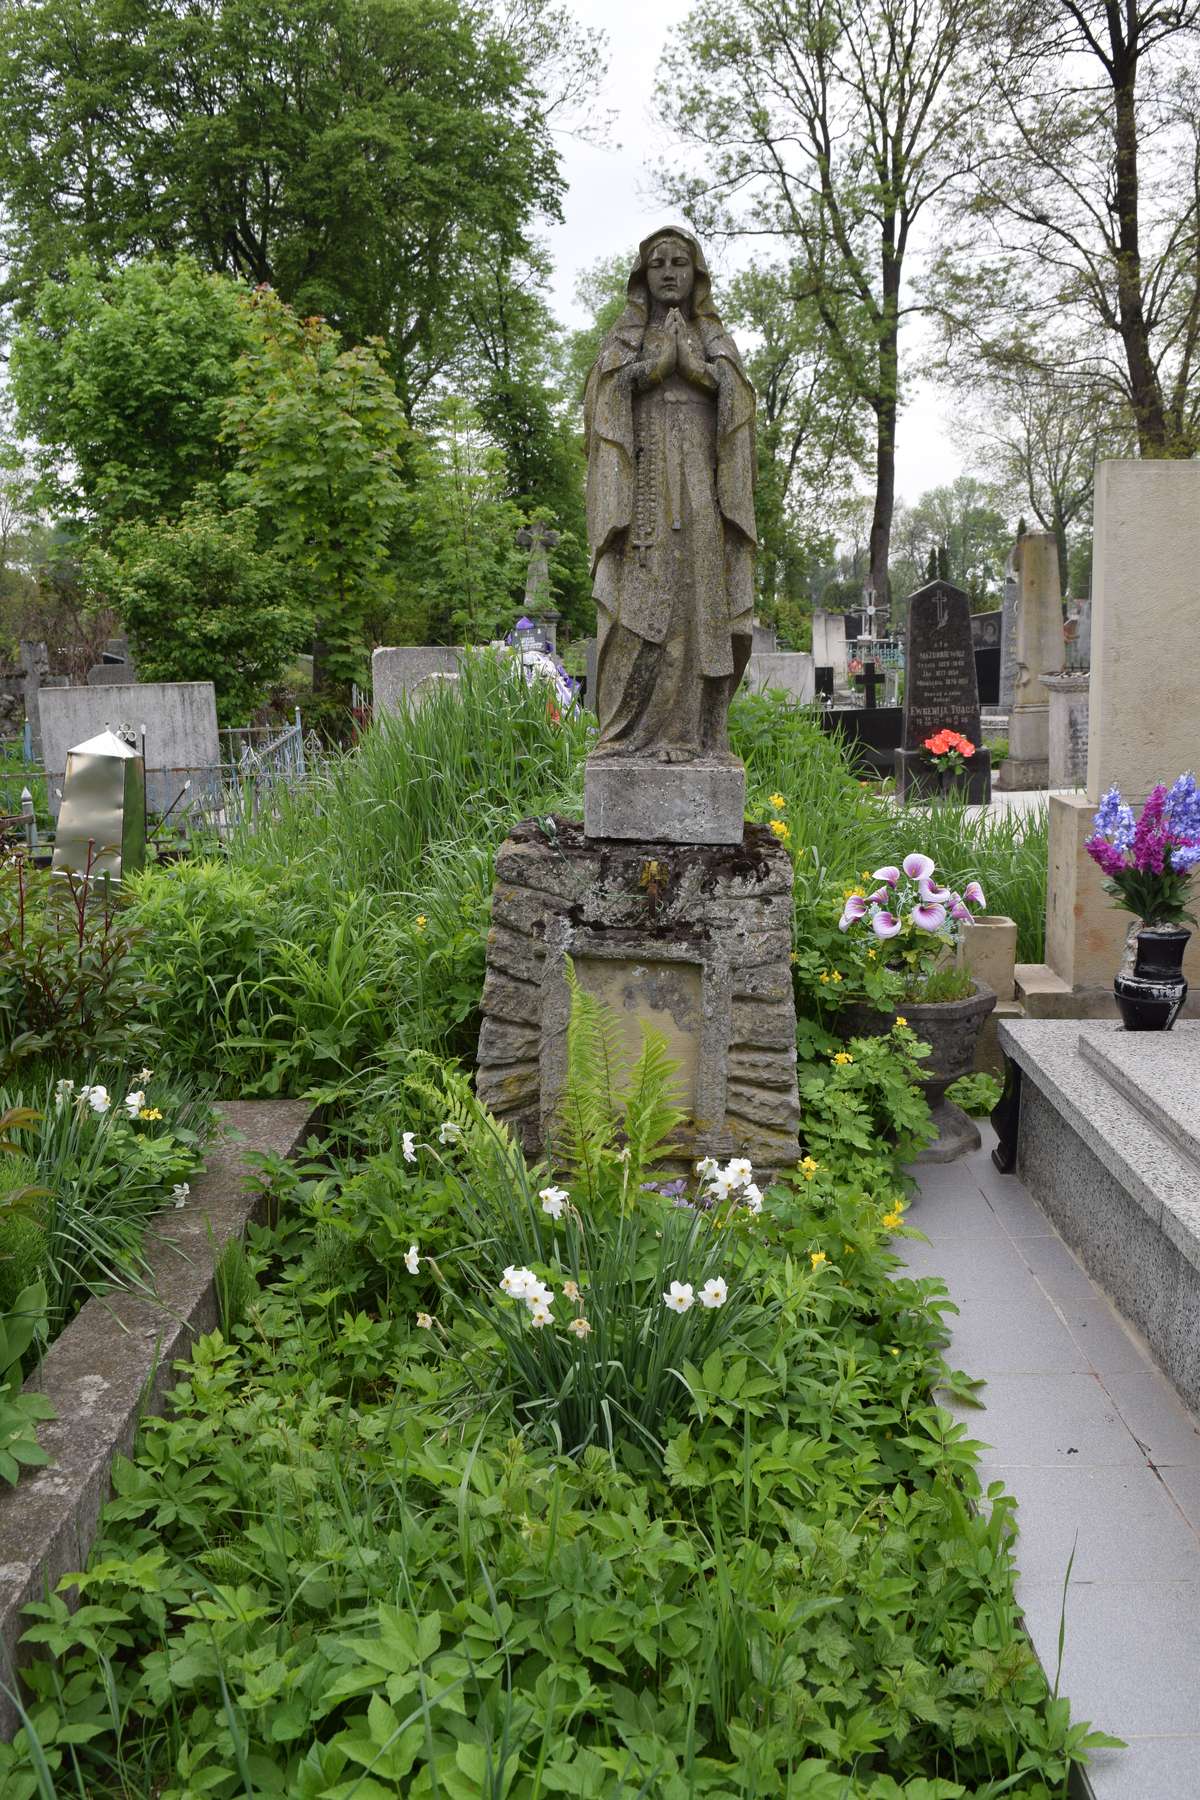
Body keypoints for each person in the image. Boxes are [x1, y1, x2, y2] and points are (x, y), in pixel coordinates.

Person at [583, 227, 756, 762]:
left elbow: (740, 408)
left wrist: (698, 372)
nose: (669, 271)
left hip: (702, 498)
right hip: (646, 500)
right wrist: (653, 369)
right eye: (657, 263)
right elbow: (601, 402)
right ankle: (625, 735)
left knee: (700, 607)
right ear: (643, 276)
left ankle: (693, 737)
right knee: (637, 613)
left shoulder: (715, 339)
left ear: (696, 272)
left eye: (680, 262)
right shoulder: (624, 337)